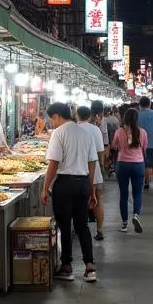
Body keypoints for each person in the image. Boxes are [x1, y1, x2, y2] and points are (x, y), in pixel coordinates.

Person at [40, 103, 98, 282]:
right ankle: (89, 267)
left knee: (64, 225)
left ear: (56, 116)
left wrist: (45, 187)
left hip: (64, 184)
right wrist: (91, 190)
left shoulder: (59, 133)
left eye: (51, 119)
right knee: (82, 226)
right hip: (82, 183)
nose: (51, 123)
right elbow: (92, 163)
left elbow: (54, 163)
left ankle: (67, 267)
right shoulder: (85, 133)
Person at [112, 108, 148, 233]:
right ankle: (136, 215)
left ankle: (124, 224)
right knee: (137, 193)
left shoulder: (119, 131)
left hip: (122, 164)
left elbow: (114, 146)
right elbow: (144, 149)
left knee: (123, 194)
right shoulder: (142, 132)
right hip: (138, 164)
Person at [79, 105, 107, 242]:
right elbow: (101, 151)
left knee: (80, 202)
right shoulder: (96, 129)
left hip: (78, 170)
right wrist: (101, 166)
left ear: (77, 115)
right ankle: (99, 230)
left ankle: (81, 229)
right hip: (94, 170)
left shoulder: (75, 129)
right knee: (98, 201)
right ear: (89, 116)